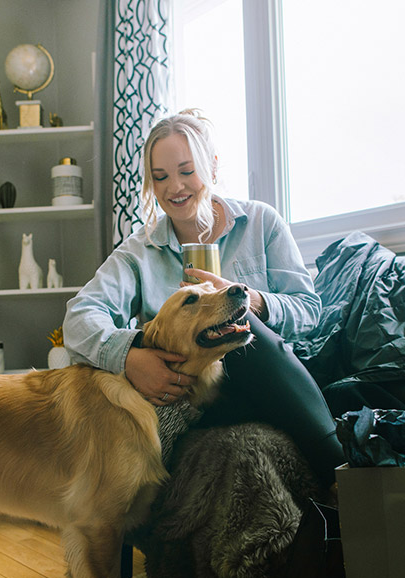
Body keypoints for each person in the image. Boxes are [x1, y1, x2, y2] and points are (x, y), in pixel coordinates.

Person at [63, 109, 344, 487]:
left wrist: (249, 301)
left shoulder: (260, 223)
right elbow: (79, 317)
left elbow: (309, 310)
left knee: (243, 332)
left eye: (186, 171)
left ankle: (342, 473)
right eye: (160, 177)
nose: (174, 187)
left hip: (274, 379)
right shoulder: (140, 252)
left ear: (211, 168)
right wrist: (130, 357)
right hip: (200, 398)